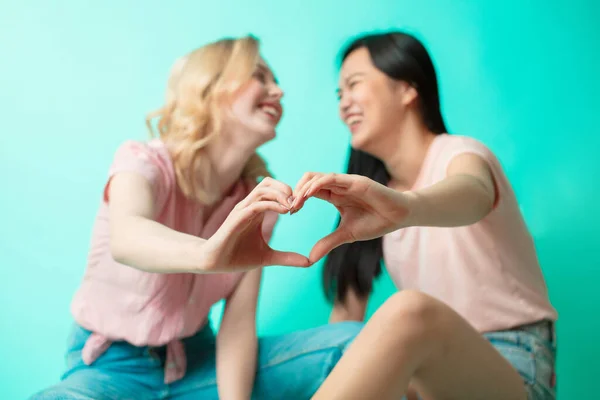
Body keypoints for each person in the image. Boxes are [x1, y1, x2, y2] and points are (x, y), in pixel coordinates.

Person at [30, 35, 363, 400]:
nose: (279, 91)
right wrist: (208, 252)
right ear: (210, 88)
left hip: (198, 366)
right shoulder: (143, 162)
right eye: (260, 76)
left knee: (356, 344)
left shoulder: (257, 205)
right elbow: (127, 237)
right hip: (109, 368)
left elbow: (237, 329)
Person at [289, 31, 557, 400]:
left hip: (514, 365)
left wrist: (407, 208)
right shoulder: (372, 201)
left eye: (354, 85)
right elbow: (342, 330)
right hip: (429, 377)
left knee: (408, 312)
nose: (343, 104)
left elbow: (474, 192)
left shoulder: (459, 154)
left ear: (408, 89)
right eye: (339, 94)